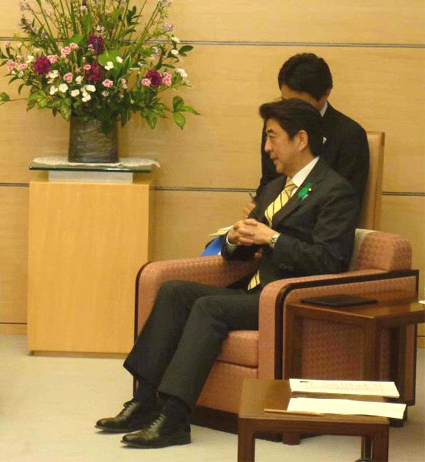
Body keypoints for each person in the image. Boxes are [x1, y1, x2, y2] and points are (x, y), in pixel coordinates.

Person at [96, 98, 359, 448]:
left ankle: (174, 418)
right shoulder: (274, 187)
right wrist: (235, 240)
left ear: (300, 139)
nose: (267, 149)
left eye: (272, 137)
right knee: (174, 291)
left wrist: (274, 237)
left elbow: (330, 261)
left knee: (208, 307)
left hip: (285, 298)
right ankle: (145, 400)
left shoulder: (335, 190)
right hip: (254, 289)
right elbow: (248, 248)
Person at [243, 53, 369, 217]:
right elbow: (269, 180)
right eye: (285, 100)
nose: (290, 110)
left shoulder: (349, 135)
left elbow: (343, 202)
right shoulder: (275, 128)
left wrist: (281, 215)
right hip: (272, 217)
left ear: (325, 94)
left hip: (316, 226)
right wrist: (258, 209)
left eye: (299, 104)